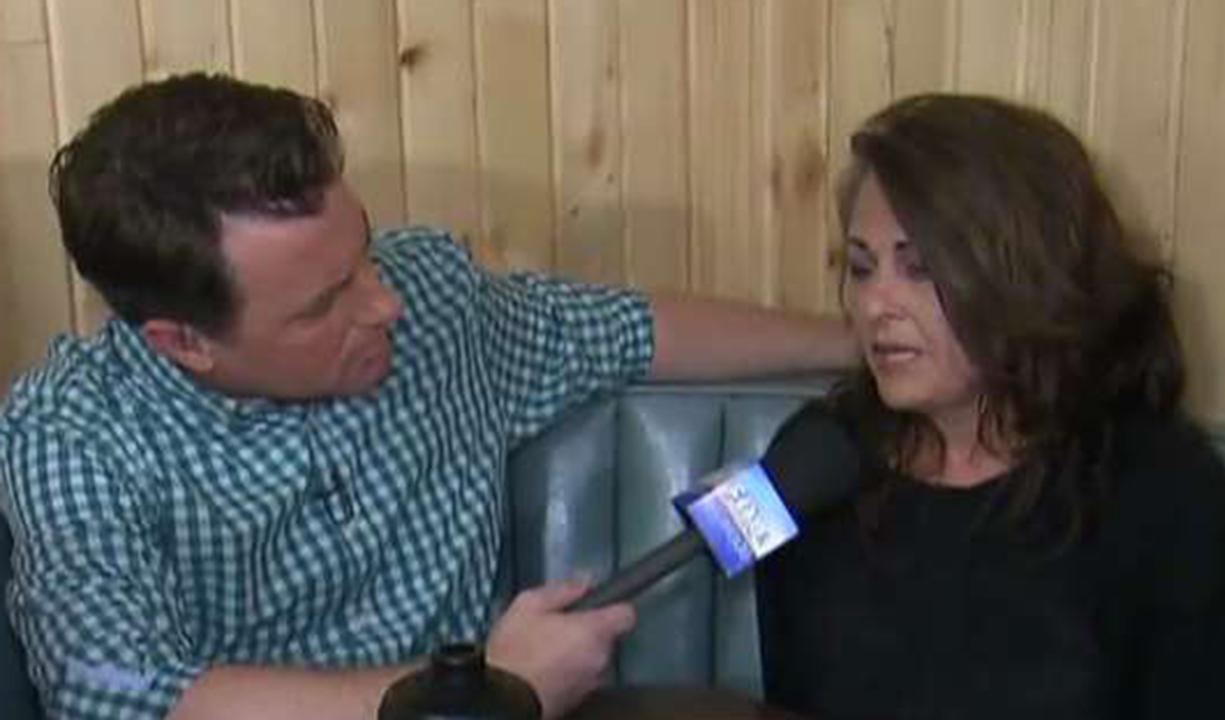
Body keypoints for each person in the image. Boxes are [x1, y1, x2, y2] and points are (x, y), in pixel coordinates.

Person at [0, 73, 860, 720]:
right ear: (183, 342)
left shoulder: (435, 300)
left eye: (364, 256)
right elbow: (120, 693)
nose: (385, 304)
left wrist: (869, 346)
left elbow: (633, 331)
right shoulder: (74, 432)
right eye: (325, 304)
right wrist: (480, 690)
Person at [755, 93, 1225, 719]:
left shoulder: (1170, 503)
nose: (874, 304)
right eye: (862, 268)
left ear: (1026, 277)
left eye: (920, 268)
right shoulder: (816, 459)